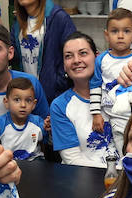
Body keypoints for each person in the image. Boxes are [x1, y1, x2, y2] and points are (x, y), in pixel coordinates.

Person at [49, 32, 117, 167]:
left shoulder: (118, 92)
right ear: (64, 65)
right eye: (68, 56)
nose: (76, 60)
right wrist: (115, 170)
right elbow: (72, 160)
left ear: (97, 57)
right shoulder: (60, 106)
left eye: (83, 53)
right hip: (83, 176)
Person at [10, 0, 77, 100]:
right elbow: (14, 55)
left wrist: (59, 82)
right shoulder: (18, 22)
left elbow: (72, 52)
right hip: (26, 93)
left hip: (54, 94)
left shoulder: (58, 17)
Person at [93, 8, 132, 153]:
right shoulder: (101, 60)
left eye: (126, 31)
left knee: (130, 150)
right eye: (114, 31)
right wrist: (96, 114)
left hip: (131, 117)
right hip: (106, 116)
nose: (120, 36)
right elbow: (95, 86)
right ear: (106, 35)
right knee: (107, 151)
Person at [0, 75, 45, 160]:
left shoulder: (38, 122)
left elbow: (49, 142)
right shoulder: (0, 123)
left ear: (34, 104)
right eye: (17, 100)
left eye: (28, 100)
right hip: (8, 162)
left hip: (35, 162)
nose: (23, 105)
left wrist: (49, 129)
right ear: (6, 102)